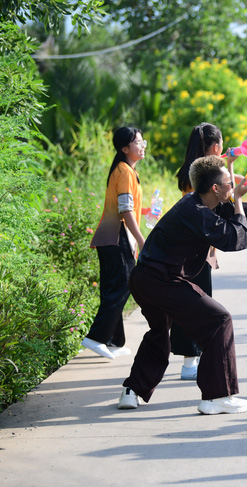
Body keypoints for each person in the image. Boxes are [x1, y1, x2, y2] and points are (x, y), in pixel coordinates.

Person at [117, 155, 247, 414]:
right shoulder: (196, 212)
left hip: (145, 280)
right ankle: (217, 396)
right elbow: (236, 239)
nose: (234, 185)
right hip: (162, 280)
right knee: (219, 320)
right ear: (215, 188)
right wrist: (236, 199)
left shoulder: (204, 202)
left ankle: (132, 390)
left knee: (159, 333)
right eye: (230, 182)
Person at [168, 122, 247, 381]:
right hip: (199, 247)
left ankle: (190, 359)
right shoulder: (208, 172)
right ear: (216, 146)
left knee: (188, 303)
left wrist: (231, 168)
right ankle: (190, 362)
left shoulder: (190, 170)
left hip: (184, 246)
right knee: (200, 304)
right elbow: (221, 196)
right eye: (222, 144)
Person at [82, 127, 147, 360]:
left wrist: (146, 212)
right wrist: (141, 240)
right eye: (137, 142)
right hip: (115, 236)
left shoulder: (127, 170)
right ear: (124, 148)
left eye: (142, 141)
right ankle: (96, 338)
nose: (142, 146)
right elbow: (125, 209)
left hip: (113, 235)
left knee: (115, 287)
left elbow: (128, 206)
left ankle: (113, 341)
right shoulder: (124, 171)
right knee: (122, 285)